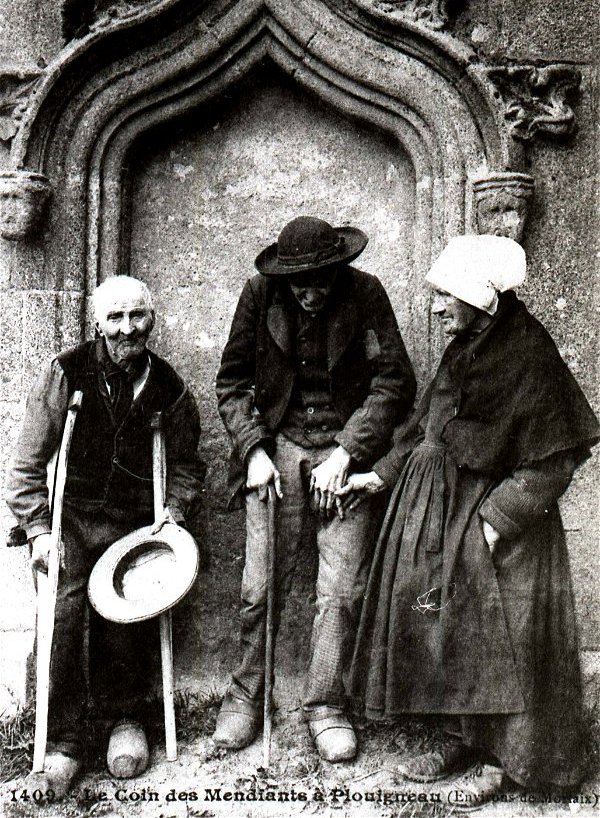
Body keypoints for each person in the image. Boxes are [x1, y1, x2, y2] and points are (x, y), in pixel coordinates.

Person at [338, 235, 599, 808]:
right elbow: (426, 425)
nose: (434, 307)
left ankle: (514, 762)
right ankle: (464, 736)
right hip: (448, 513)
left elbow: (555, 460)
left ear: (481, 297)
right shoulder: (466, 345)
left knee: (512, 635)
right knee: (444, 618)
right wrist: (378, 475)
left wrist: (493, 525)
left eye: (444, 295)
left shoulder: (528, 352)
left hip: (503, 525)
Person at [213, 216, 416, 761]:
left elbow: (395, 382)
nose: (310, 293)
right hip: (277, 448)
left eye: (321, 281)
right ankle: (245, 697)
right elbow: (232, 383)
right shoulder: (260, 294)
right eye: (300, 283)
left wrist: (348, 452)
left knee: (342, 590)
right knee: (259, 586)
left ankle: (325, 704)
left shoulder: (367, 293)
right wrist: (254, 450)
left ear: (338, 269)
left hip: (346, 455)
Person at [5, 275, 204, 799]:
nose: (126, 328)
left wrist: (175, 514)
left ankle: (126, 722)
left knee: (132, 610)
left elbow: (186, 464)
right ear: (98, 323)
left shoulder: (169, 386)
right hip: (71, 520)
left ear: (151, 320)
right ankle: (65, 745)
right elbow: (25, 463)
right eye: (114, 318)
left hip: (134, 523)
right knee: (65, 615)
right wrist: (39, 529)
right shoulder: (66, 373)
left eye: (136, 316)